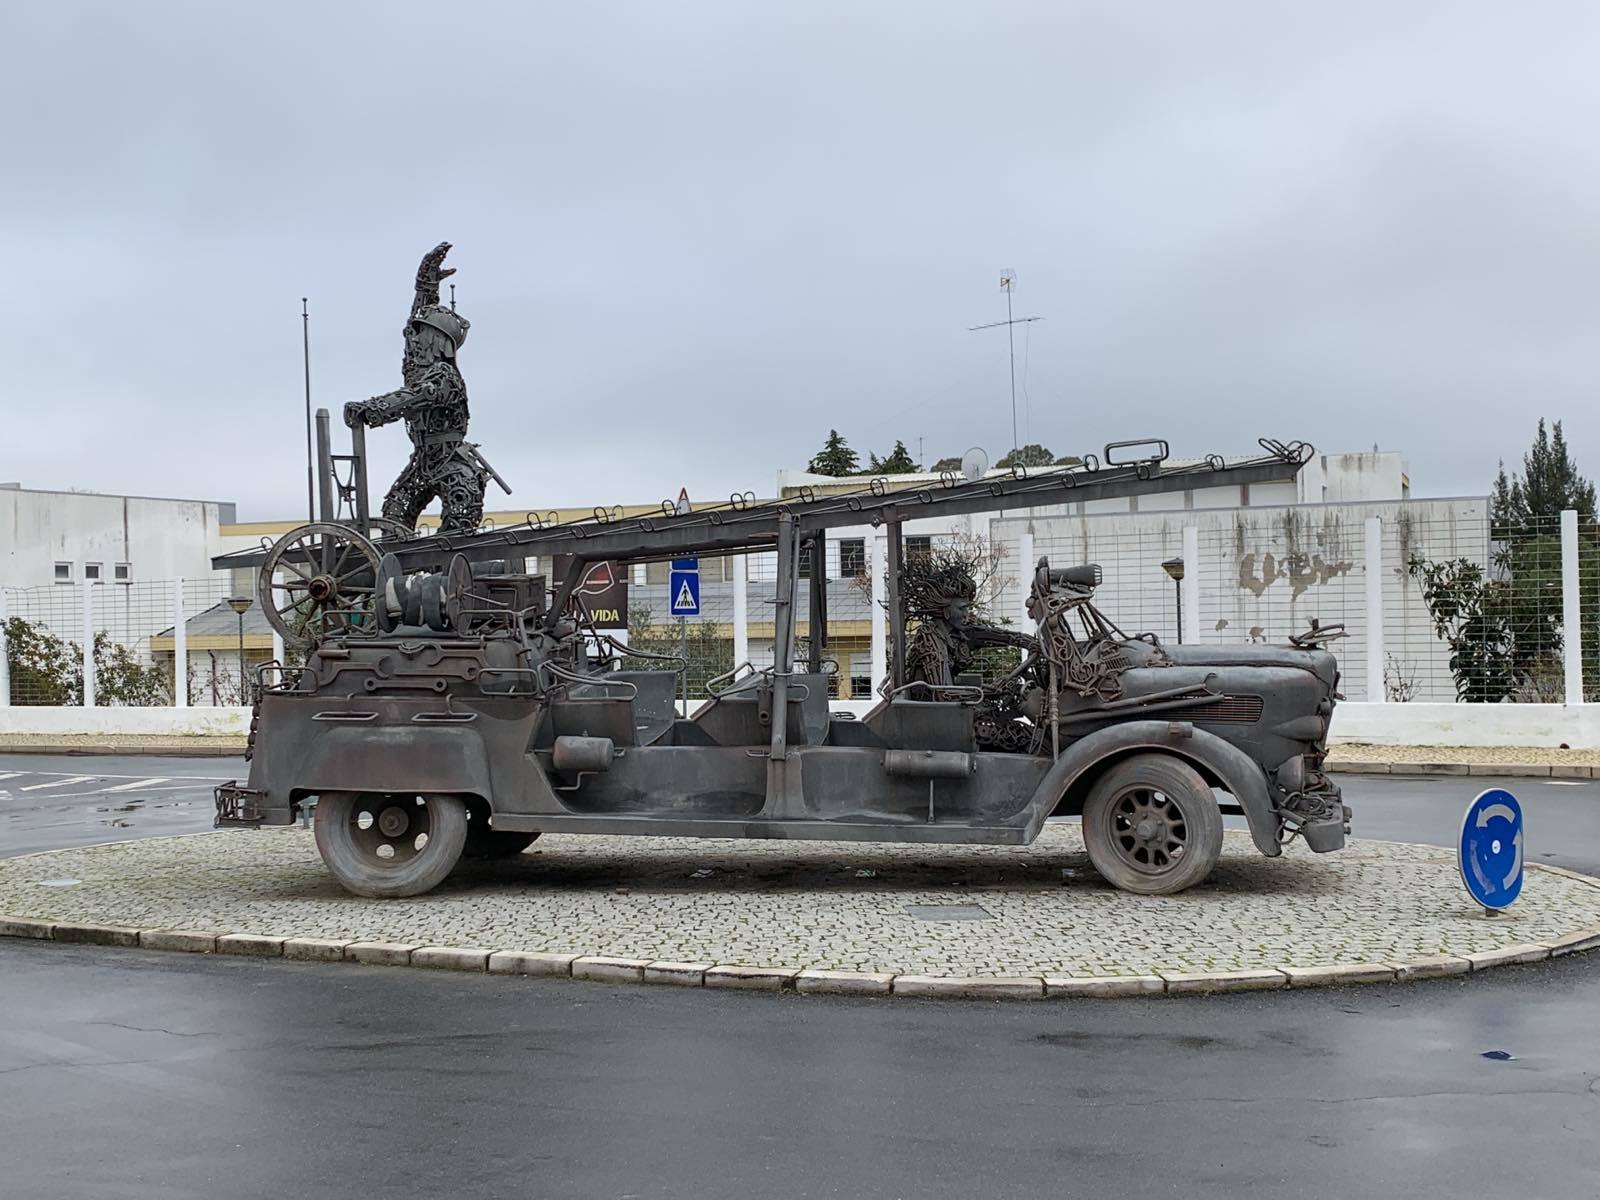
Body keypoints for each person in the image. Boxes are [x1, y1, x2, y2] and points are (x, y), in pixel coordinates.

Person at [344, 242, 488, 534]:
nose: (415, 340)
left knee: (455, 533)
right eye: (416, 336)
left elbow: (413, 398)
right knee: (393, 516)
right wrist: (426, 283)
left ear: (438, 340)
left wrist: (371, 409)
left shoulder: (444, 377)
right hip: (423, 462)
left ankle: (435, 579)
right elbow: (414, 326)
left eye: (423, 336)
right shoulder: (419, 368)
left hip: (453, 466)